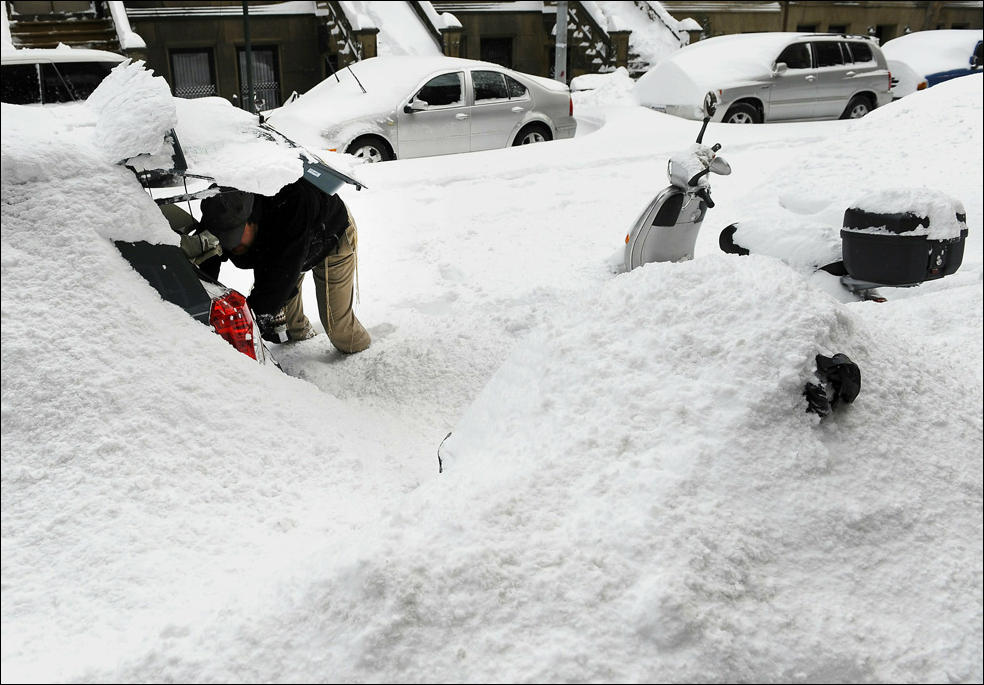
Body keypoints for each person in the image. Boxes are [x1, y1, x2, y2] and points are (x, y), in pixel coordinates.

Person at [198, 180, 370, 354]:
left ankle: (365, 354)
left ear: (251, 220)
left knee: (338, 327)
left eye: (235, 238)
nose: (231, 246)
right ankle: (305, 341)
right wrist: (202, 299)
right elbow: (208, 254)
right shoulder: (220, 208)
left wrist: (251, 318)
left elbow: (281, 274)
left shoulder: (290, 207)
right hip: (288, 245)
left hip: (330, 234)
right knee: (291, 325)